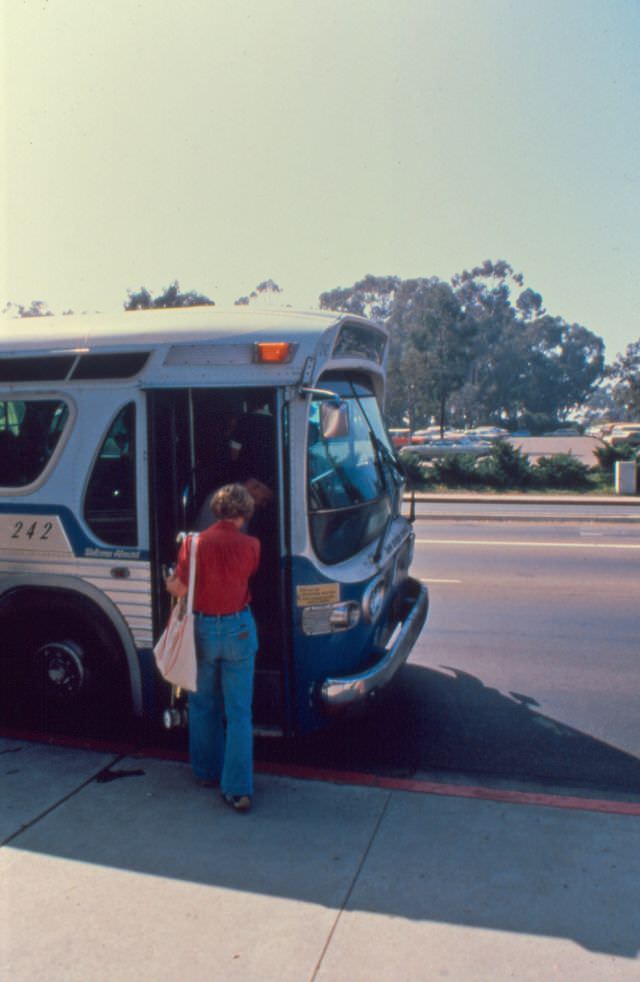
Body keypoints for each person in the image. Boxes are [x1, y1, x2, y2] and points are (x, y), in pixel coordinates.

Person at [165, 483, 260, 813]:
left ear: (217, 509)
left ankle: (206, 772)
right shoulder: (252, 545)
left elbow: (178, 586)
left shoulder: (194, 544)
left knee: (203, 704)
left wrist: (168, 579)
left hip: (202, 630)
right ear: (244, 512)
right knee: (239, 713)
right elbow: (243, 576)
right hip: (239, 630)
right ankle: (237, 789)